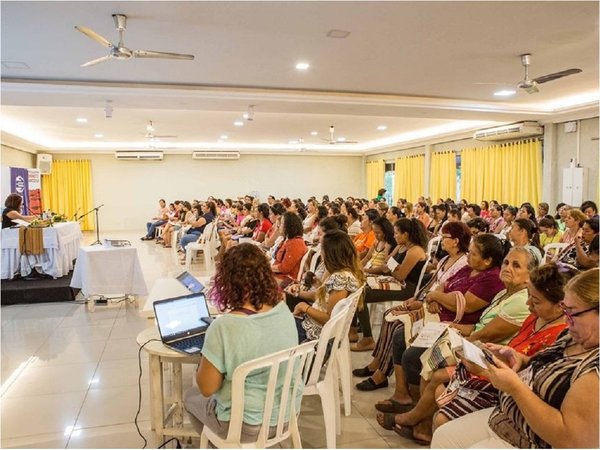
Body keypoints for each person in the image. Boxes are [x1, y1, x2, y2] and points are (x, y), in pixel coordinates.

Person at [382, 262, 569, 445]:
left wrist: (482, 355)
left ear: (562, 306)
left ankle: (413, 418)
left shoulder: (559, 334)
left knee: (435, 376)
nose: (528, 303)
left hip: (505, 383)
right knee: (427, 361)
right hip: (497, 366)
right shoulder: (531, 312)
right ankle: (419, 423)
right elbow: (518, 350)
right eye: (506, 262)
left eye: (535, 300)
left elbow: (530, 374)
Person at [431, 268, 599, 449]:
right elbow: (548, 365)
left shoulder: (594, 369)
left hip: (534, 439)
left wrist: (515, 388)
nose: (567, 320)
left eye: (572, 313)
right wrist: (520, 360)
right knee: (444, 437)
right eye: (565, 311)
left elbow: (572, 440)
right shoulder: (573, 336)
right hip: (511, 416)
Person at [184, 244, 300, 441]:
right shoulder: (283, 310)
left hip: (245, 426)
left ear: (227, 281)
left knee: (190, 396)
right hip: (287, 414)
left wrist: (204, 359)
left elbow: (207, 388)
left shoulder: (224, 327)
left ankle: (218, 443)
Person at [353, 221, 471, 392]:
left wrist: (426, 299)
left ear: (456, 241)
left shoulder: (462, 264)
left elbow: (447, 289)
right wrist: (420, 298)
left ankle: (381, 374)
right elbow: (432, 282)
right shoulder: (445, 258)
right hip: (427, 299)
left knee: (397, 324)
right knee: (390, 315)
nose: (442, 240)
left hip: (434, 306)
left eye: (445, 237)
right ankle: (377, 365)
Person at [351, 218, 428, 353]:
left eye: (397, 233)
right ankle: (354, 329)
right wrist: (393, 267)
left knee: (361, 295)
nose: (394, 236)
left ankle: (368, 338)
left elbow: (400, 275)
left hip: (407, 289)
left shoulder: (415, 251)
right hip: (395, 281)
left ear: (406, 234)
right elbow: (387, 263)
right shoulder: (401, 246)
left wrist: (392, 267)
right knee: (356, 287)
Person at [292, 230, 364, 342]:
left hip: (313, 333)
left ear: (330, 254)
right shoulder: (346, 273)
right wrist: (319, 286)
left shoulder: (340, 278)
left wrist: (304, 307)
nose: (321, 254)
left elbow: (329, 319)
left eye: (322, 250)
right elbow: (330, 302)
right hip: (313, 326)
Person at [271, 212, 307, 282]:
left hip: (286, 279)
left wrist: (266, 267)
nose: (279, 226)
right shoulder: (286, 240)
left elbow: (285, 268)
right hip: (277, 275)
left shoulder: (296, 243)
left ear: (289, 226)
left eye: (281, 223)